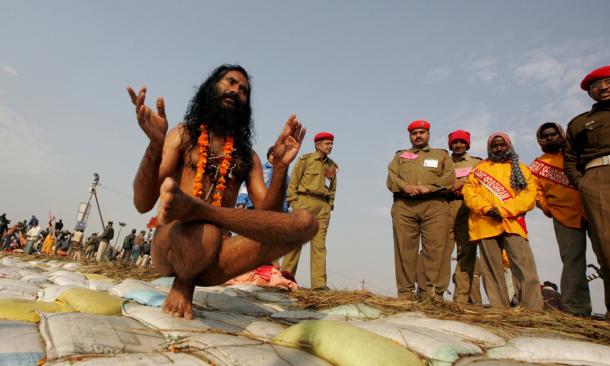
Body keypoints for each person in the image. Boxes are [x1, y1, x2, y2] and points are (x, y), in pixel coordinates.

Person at [128, 64, 317, 319]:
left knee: (306, 223)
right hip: (171, 247)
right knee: (204, 231)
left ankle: (202, 212)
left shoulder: (247, 157)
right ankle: (183, 282)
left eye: (243, 90)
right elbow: (142, 202)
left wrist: (281, 167)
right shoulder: (184, 135)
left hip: (216, 258)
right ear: (210, 88)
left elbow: (267, 218)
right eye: (229, 82)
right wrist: (155, 145)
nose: (236, 91)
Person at [462, 132, 543, 311]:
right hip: (485, 224)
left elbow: (529, 197)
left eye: (502, 145)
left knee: (524, 267)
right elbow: (469, 193)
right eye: (494, 146)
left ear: (508, 146)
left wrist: (503, 210)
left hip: (513, 224)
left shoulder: (521, 169)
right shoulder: (479, 170)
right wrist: (487, 209)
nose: (499, 148)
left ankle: (533, 310)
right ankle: (500, 310)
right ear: (489, 148)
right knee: (491, 270)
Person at [386, 120, 455, 300]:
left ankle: (433, 294)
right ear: (410, 136)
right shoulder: (401, 156)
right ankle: (405, 294)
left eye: (422, 132)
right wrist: (405, 186)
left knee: (436, 249)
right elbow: (391, 177)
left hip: (435, 205)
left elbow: (449, 177)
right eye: (414, 133)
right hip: (405, 204)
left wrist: (430, 187)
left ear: (428, 134)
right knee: (404, 249)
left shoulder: (441, 155)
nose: (418, 135)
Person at [530, 122, 592, 316]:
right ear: (540, 140)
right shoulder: (538, 165)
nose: (550, 138)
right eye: (545, 135)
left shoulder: (577, 154)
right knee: (573, 261)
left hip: (593, 210)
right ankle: (576, 309)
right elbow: (535, 192)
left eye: (553, 134)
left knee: (605, 256)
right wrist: (549, 209)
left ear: (562, 134)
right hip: (563, 216)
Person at [564, 65, 610, 321]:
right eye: (596, 85)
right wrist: (583, 183)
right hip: (599, 178)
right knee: (607, 246)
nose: (603, 88)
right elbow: (570, 159)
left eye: (607, 82)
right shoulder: (581, 123)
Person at [282, 132, 337, 290]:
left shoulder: (331, 166)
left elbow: (333, 188)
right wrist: (294, 202)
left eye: (331, 144)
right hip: (304, 202)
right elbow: (293, 182)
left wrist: (329, 205)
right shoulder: (305, 160)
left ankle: (319, 285)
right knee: (295, 242)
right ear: (317, 145)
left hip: (322, 207)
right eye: (327, 143)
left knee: (319, 246)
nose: (330, 146)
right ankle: (285, 279)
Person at [440, 130, 482, 304]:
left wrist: (464, 185)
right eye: (455, 142)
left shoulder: (477, 163)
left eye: (461, 142)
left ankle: (461, 300)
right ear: (450, 144)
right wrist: (451, 185)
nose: (458, 145)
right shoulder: (442, 161)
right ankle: (436, 295)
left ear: (467, 144)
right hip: (444, 207)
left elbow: (481, 183)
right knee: (441, 253)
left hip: (467, 207)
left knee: (466, 252)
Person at [236, 146, 290, 212]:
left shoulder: (285, 176)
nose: (275, 157)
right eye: (273, 154)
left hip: (279, 211)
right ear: (268, 156)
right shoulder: (259, 170)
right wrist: (241, 203)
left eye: (278, 155)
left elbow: (288, 195)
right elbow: (245, 188)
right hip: (255, 208)